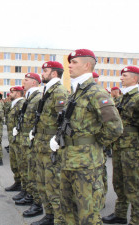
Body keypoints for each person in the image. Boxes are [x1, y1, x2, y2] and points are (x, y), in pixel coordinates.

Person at [50, 49, 123, 225]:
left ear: (87, 65)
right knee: (68, 210)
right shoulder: (76, 92)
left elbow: (115, 127)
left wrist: (94, 144)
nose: (69, 65)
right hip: (68, 161)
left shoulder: (96, 93)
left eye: (74, 62)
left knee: (88, 214)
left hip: (86, 165)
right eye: (70, 62)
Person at [30, 61, 69, 225]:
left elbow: (64, 120)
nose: (42, 74)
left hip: (52, 147)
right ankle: (49, 215)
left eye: (45, 71)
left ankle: (59, 219)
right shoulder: (46, 91)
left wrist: (57, 139)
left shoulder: (59, 91)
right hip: (41, 144)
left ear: (54, 73)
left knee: (53, 186)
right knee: (42, 183)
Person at [102, 66, 139, 225]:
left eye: (125, 75)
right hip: (119, 146)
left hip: (133, 149)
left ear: (135, 78)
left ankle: (136, 219)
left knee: (134, 185)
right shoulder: (125, 96)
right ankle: (120, 214)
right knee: (119, 183)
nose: (121, 78)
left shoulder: (137, 97)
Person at [13, 73, 43, 219]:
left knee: (32, 171)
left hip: (31, 140)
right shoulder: (29, 97)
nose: (23, 82)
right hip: (24, 138)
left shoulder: (38, 98)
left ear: (34, 82)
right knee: (25, 168)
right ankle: (27, 192)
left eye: (26, 80)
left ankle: (35, 200)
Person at [5, 86, 25, 191]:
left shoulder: (21, 104)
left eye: (12, 92)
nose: (10, 94)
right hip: (12, 138)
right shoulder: (15, 104)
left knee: (20, 163)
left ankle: (23, 187)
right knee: (14, 163)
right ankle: (17, 182)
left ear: (17, 93)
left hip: (18, 139)